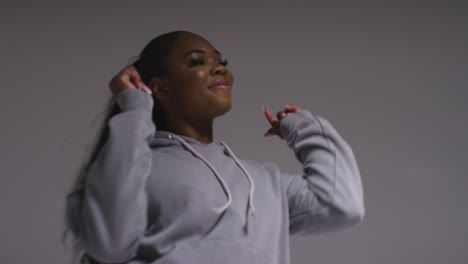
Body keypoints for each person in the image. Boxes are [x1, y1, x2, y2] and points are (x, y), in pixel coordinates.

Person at [64, 30, 365, 264]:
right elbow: (108, 242)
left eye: (221, 61)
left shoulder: (263, 181)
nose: (219, 68)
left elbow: (341, 204)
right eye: (197, 62)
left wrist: (302, 126)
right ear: (160, 88)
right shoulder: (134, 166)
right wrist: (133, 110)